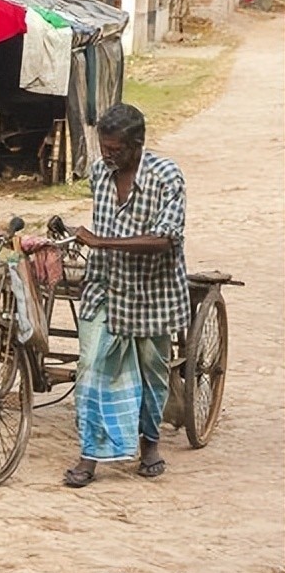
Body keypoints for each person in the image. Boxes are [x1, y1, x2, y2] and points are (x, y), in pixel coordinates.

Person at [64, 103, 188, 488]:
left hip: (151, 293)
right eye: (104, 147)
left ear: (137, 145)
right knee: (91, 370)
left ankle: (149, 444)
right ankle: (89, 455)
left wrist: (102, 241)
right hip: (105, 287)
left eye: (115, 149)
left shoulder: (167, 177)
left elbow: (166, 238)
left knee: (153, 373)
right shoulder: (100, 174)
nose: (107, 155)